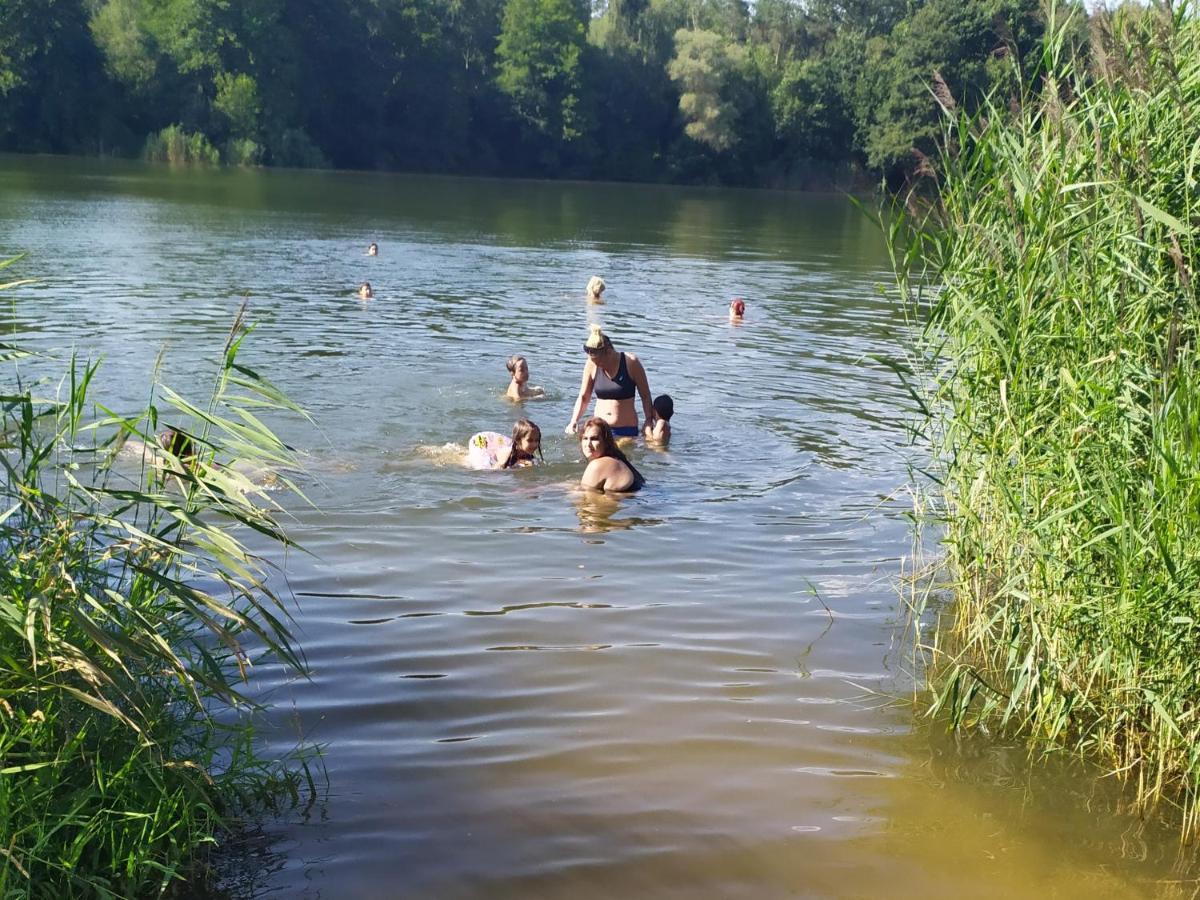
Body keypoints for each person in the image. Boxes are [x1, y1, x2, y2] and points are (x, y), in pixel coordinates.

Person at [565, 324, 655, 438]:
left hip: (626, 431)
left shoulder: (631, 363)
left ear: (609, 351)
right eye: (594, 362)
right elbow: (584, 397)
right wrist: (574, 421)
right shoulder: (591, 364)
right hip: (599, 432)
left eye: (600, 362)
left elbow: (645, 395)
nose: (598, 366)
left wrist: (648, 421)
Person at [579, 417, 644, 493]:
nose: (588, 444)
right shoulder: (617, 458)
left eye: (594, 439)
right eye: (585, 438)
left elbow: (585, 499)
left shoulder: (598, 465)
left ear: (606, 442)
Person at [466, 418, 543, 470]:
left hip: (499, 447)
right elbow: (494, 471)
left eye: (536, 440)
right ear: (518, 440)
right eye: (530, 440)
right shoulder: (507, 454)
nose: (534, 444)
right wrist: (516, 464)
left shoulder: (529, 455)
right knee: (469, 463)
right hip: (485, 447)